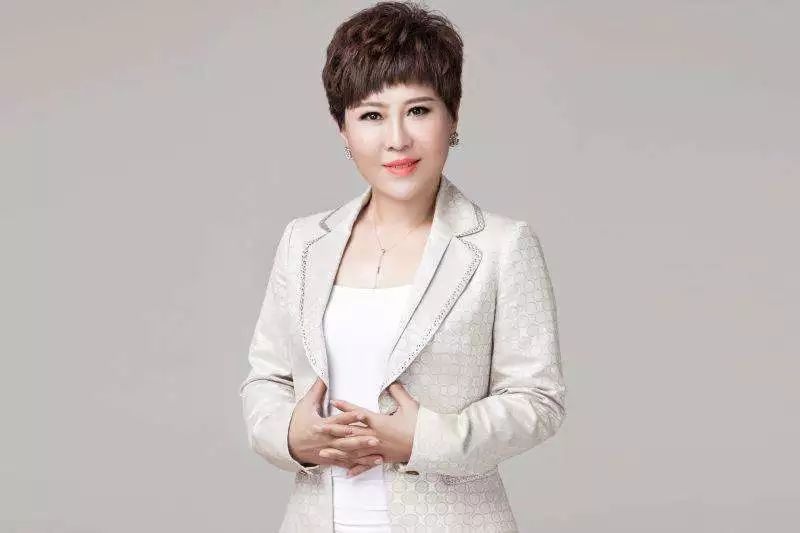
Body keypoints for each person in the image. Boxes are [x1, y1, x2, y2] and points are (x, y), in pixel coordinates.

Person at [239, 2, 566, 531]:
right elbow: (266, 379)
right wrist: (291, 437)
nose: (397, 138)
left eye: (418, 110)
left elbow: (537, 399)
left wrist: (423, 440)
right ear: (343, 130)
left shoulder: (502, 247)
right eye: (371, 115)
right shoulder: (303, 243)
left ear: (452, 117)